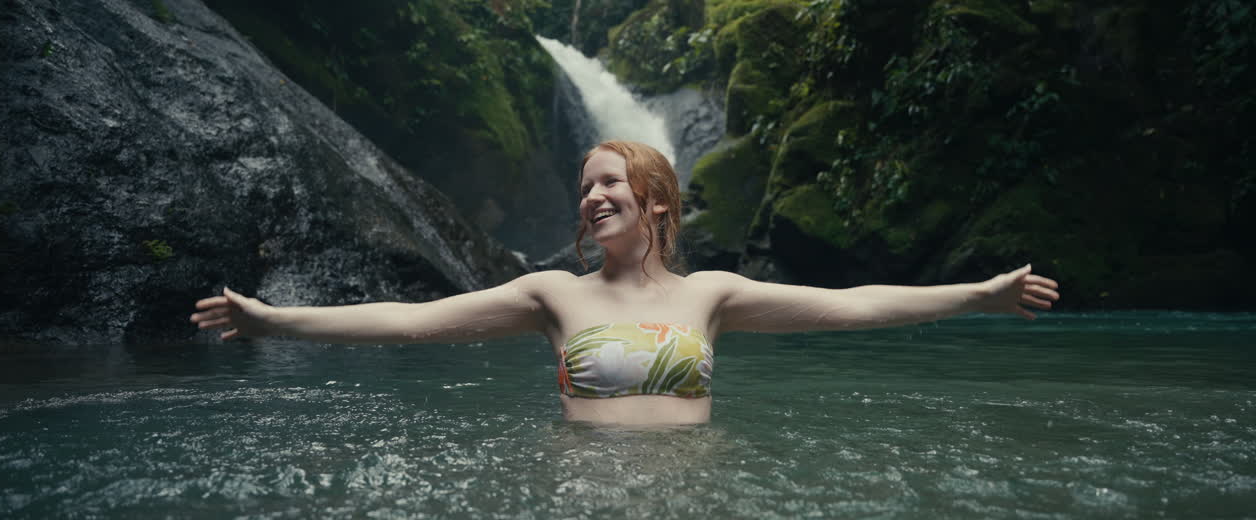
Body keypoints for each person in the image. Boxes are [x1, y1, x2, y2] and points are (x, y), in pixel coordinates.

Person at [191, 140, 1059, 425]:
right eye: (584, 187)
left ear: (655, 202)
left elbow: (855, 306)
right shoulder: (553, 297)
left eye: (609, 181)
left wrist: (976, 296)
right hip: (580, 498)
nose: (592, 195)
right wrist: (276, 322)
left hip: (693, 495)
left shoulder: (711, 295)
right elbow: (412, 321)